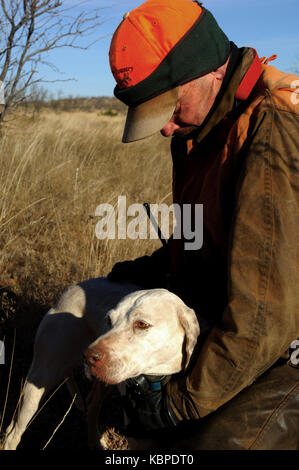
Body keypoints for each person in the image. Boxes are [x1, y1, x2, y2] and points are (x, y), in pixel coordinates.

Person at [107, 0, 299, 450]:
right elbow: (212, 236)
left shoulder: (274, 126)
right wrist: (159, 268)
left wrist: (179, 404)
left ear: (209, 71)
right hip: (246, 325)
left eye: (169, 109)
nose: (165, 129)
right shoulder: (206, 130)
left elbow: (266, 315)